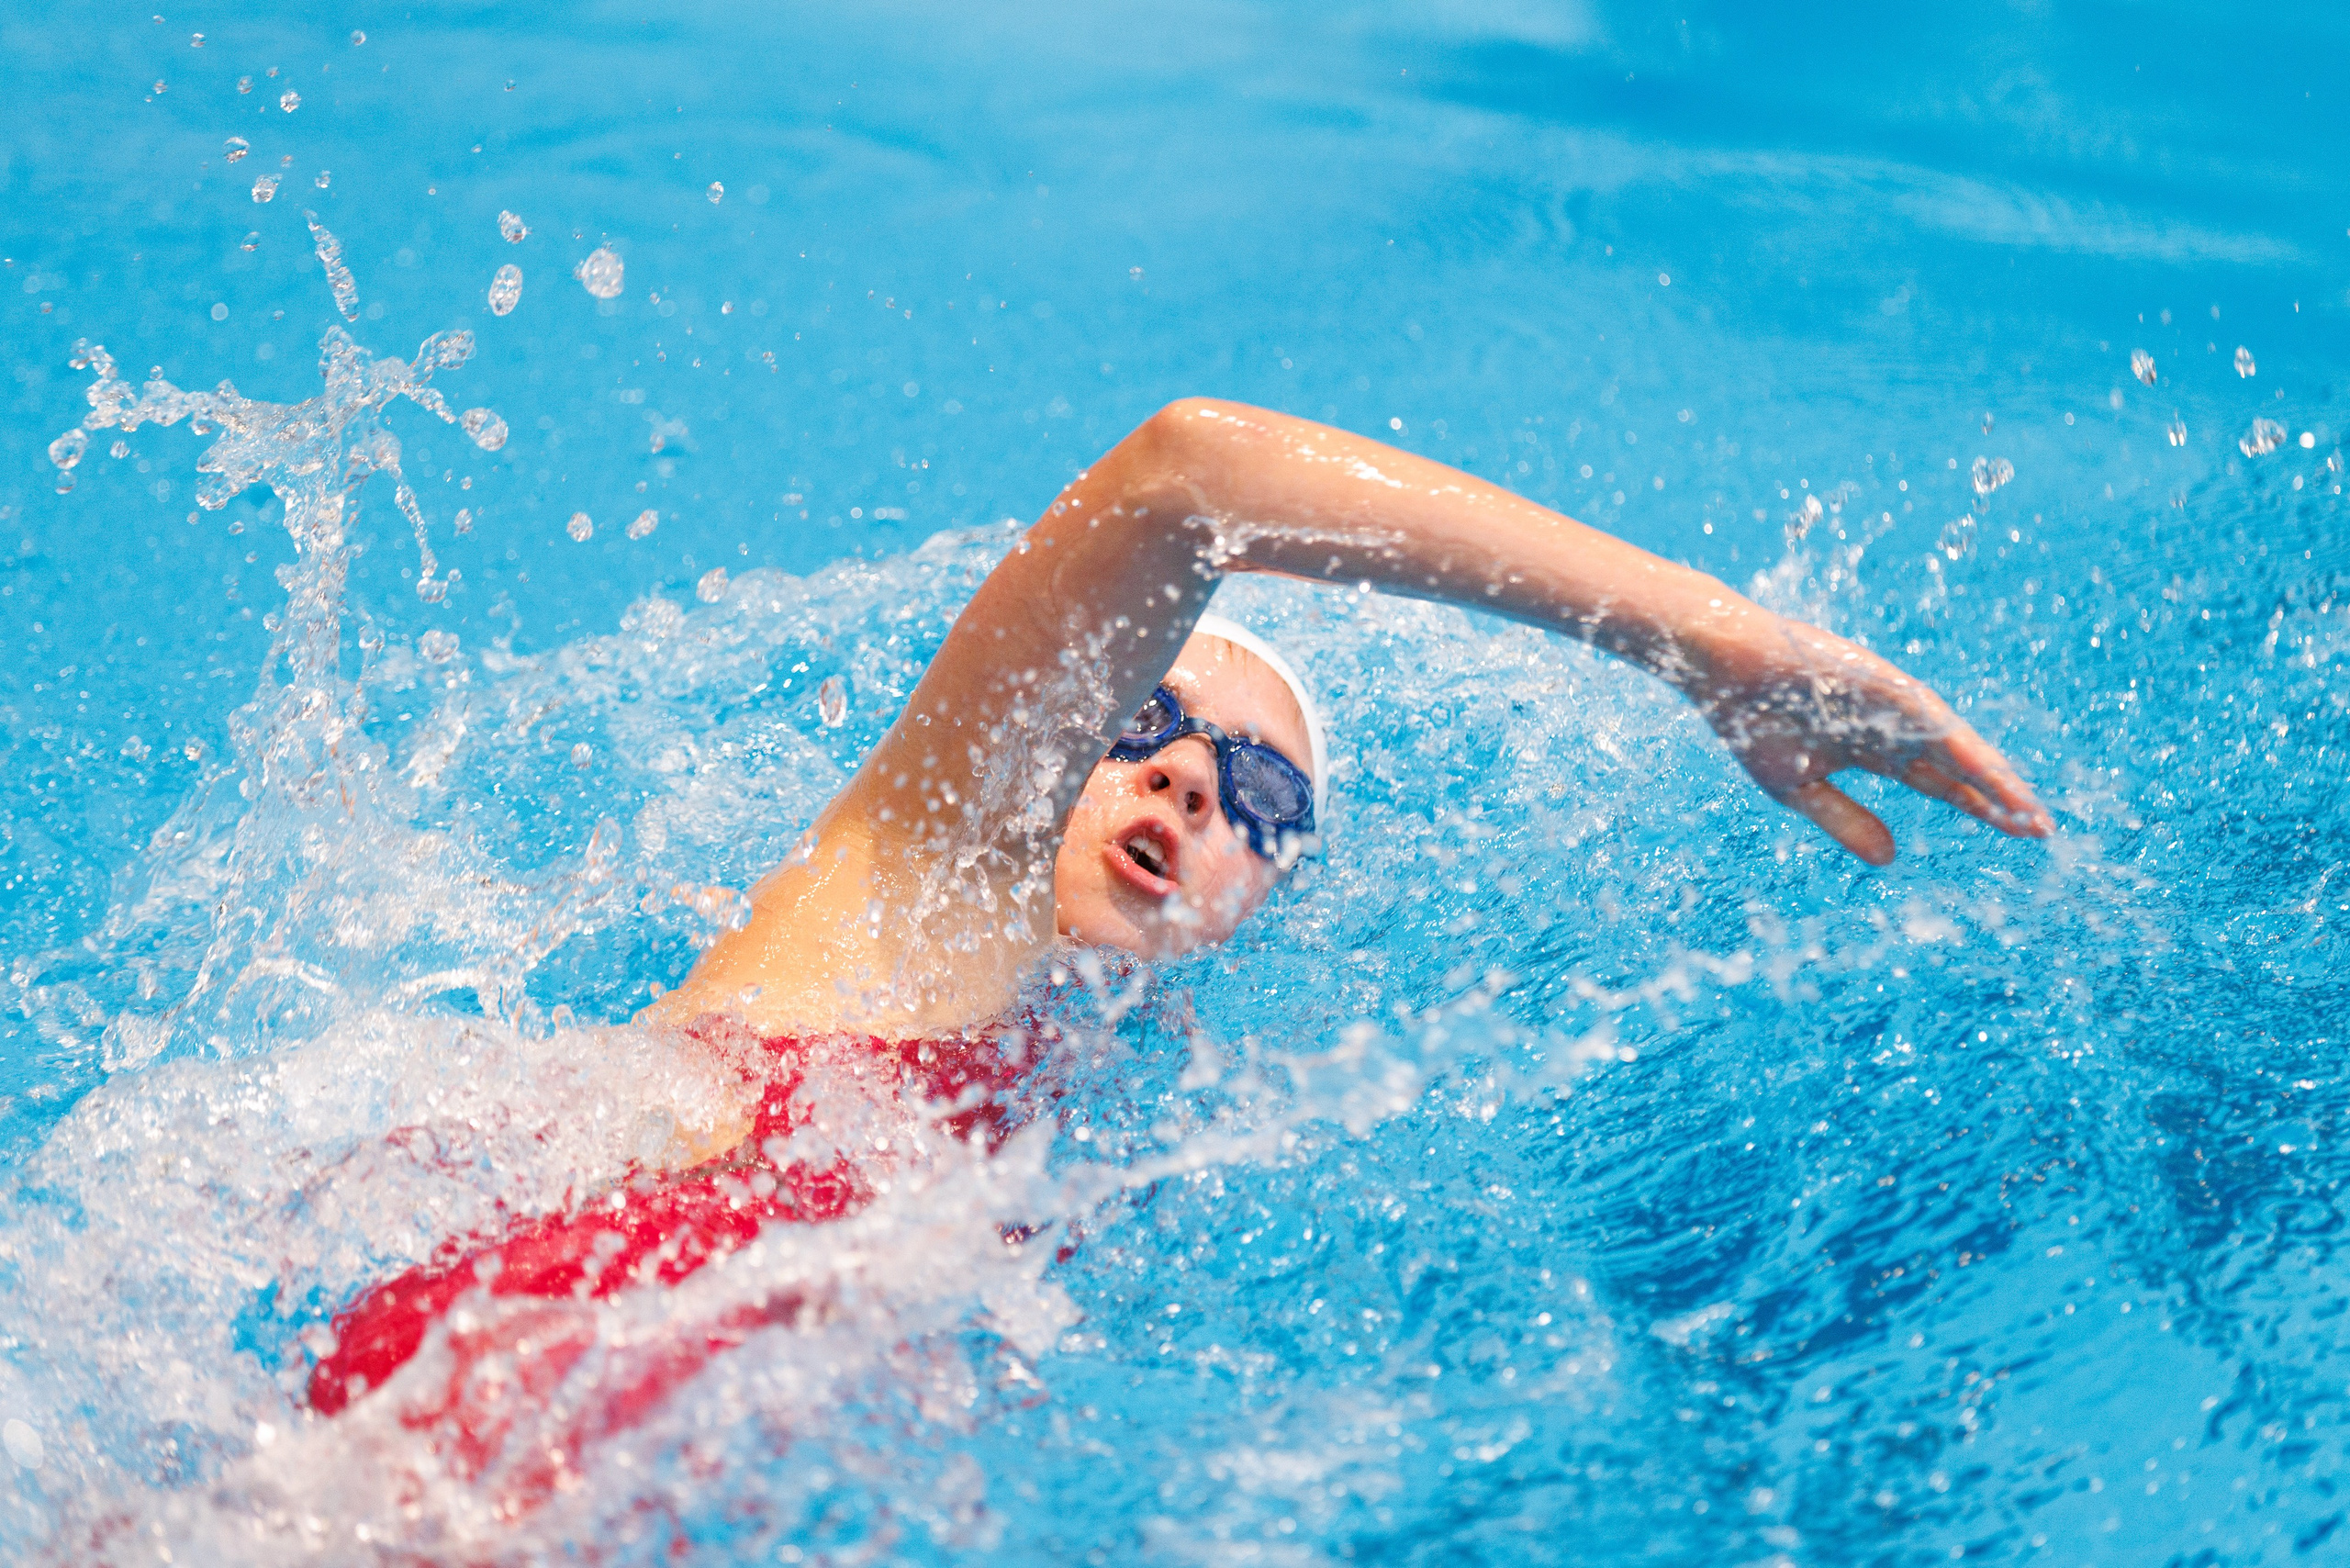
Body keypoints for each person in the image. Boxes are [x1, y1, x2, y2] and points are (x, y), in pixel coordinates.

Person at [305, 399, 2050, 1466]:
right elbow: (1191, 471)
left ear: (1257, 904)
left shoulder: (1091, 1147)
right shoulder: (921, 898)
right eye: (1145, 727)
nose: (1193, 793)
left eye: (1260, 805)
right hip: (436, 1452)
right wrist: (1708, 641)